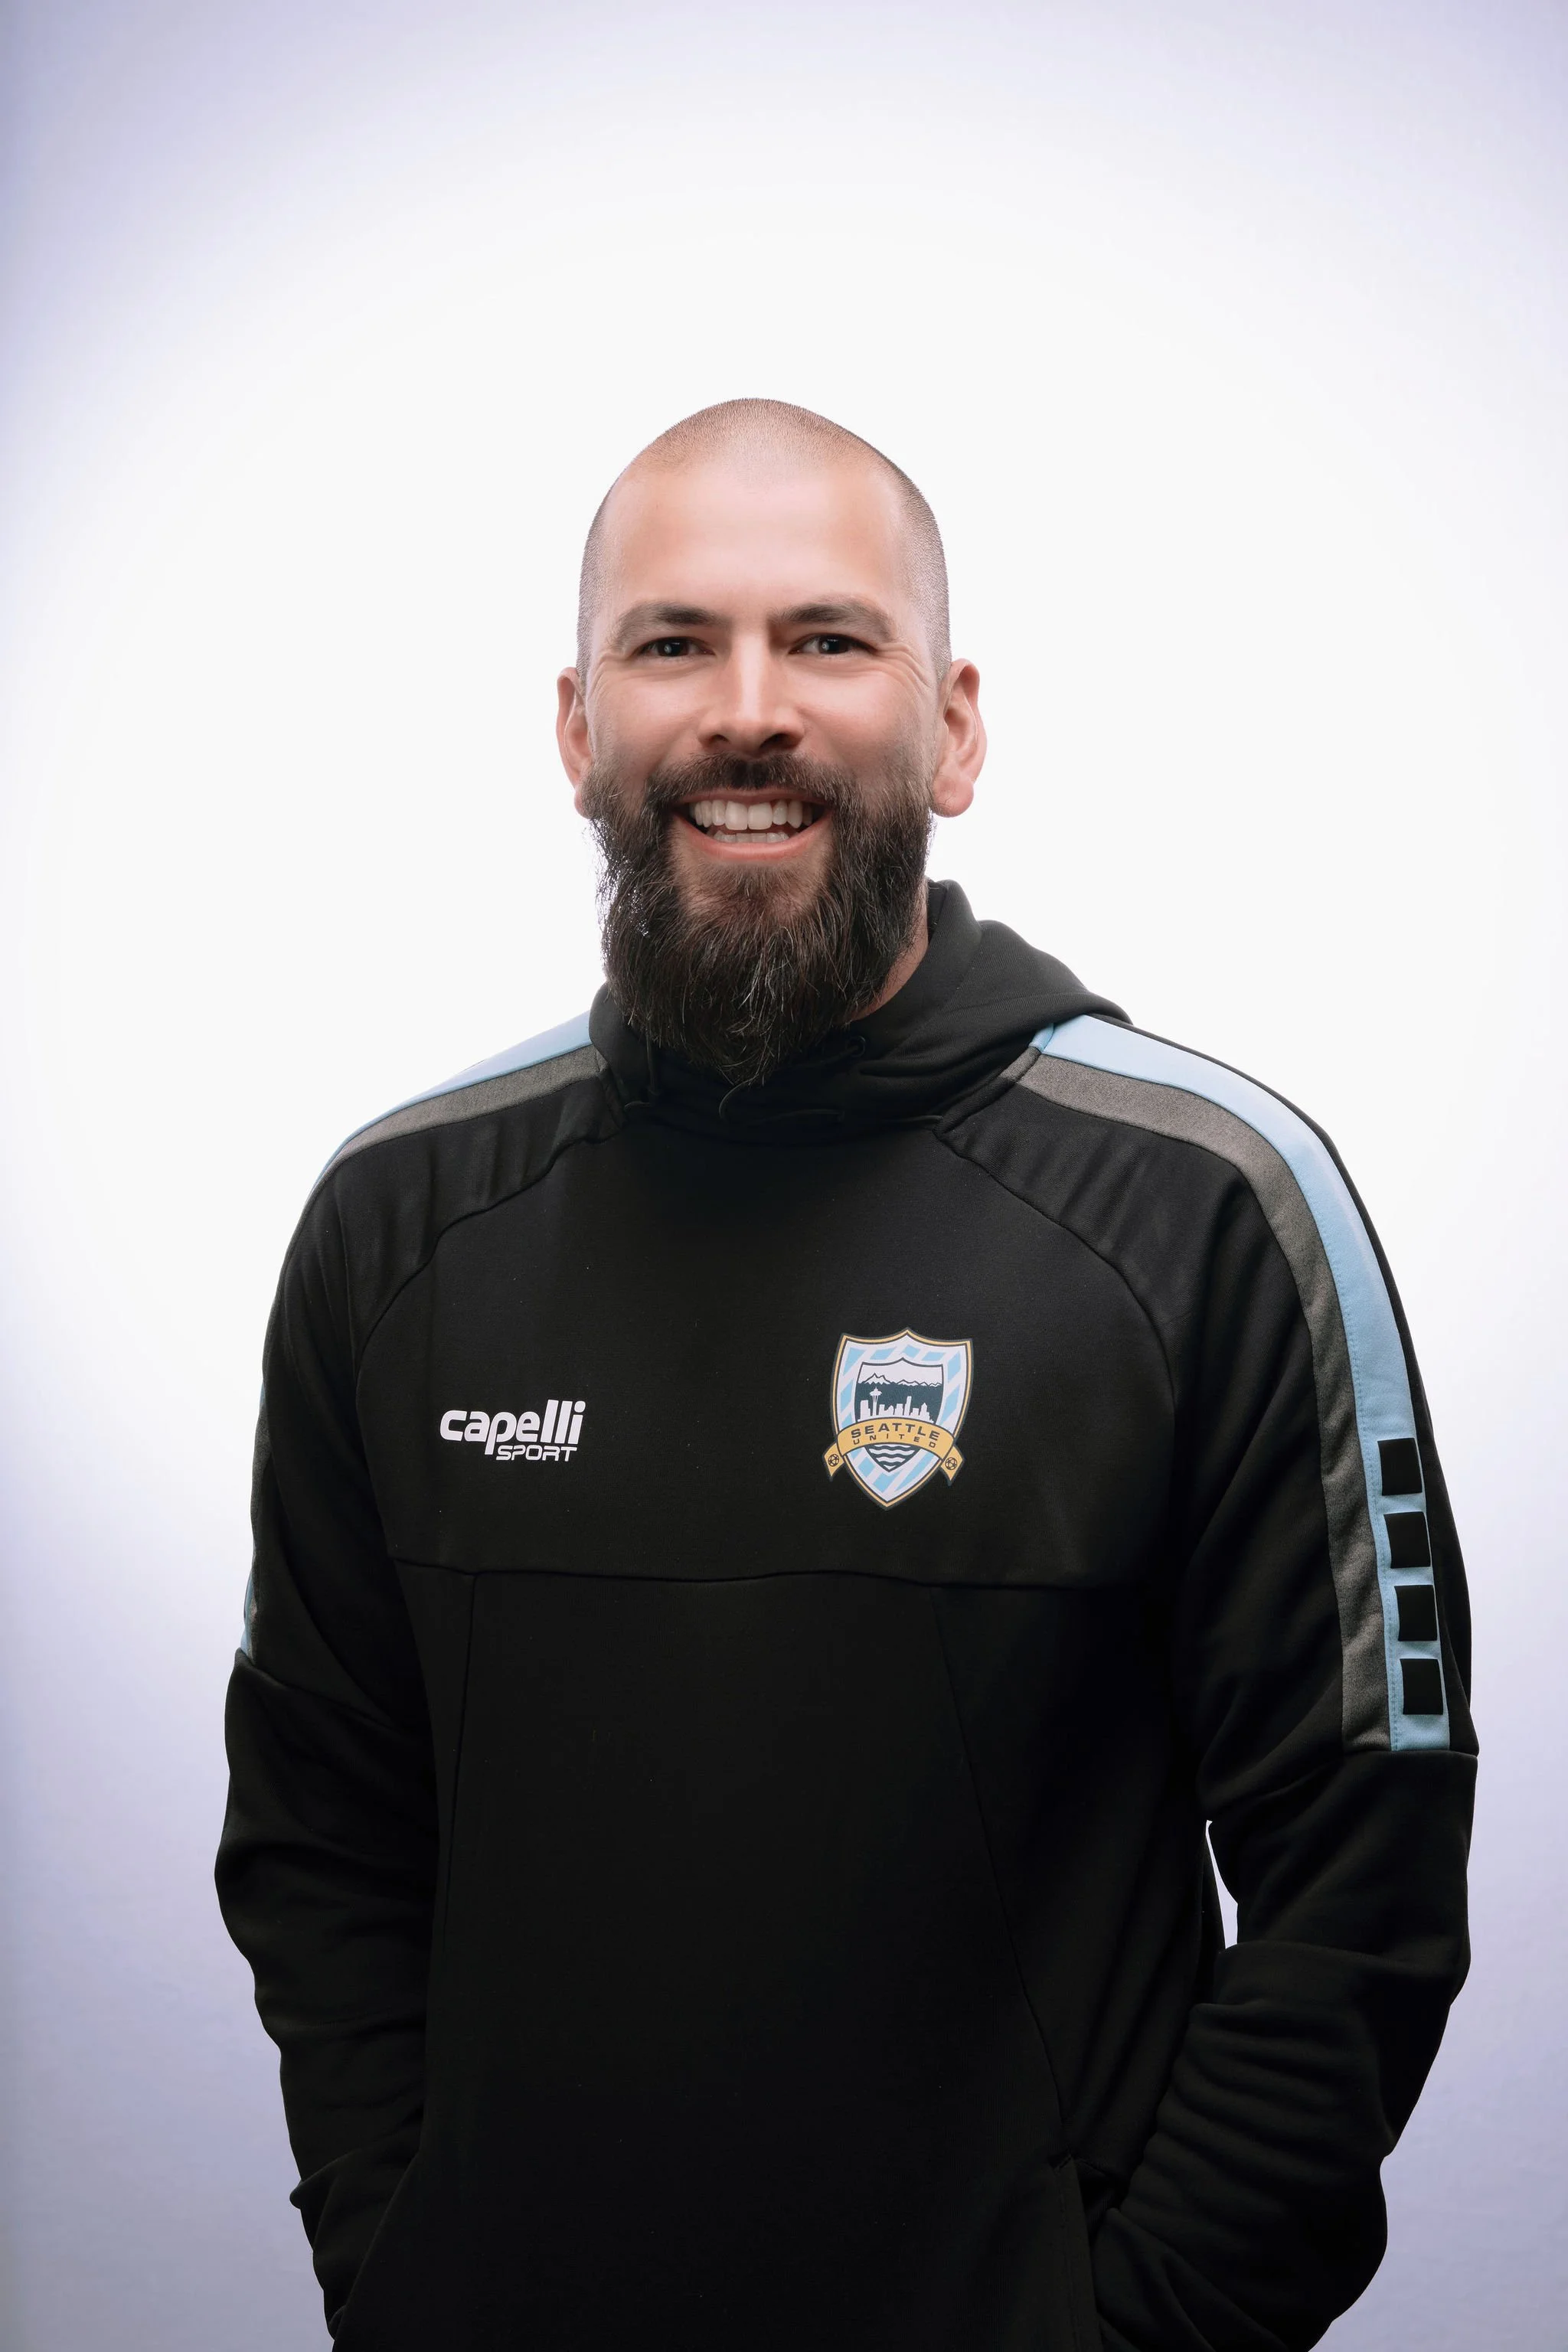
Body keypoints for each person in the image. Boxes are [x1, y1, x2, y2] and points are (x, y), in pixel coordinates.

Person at [217, 400, 1475, 2351]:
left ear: (953, 729)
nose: (749, 711)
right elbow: (320, 1838)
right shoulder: (397, 1230)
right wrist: (407, 2275)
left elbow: (1361, 1881)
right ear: (576, 729)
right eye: (672, 643)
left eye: (827, 638)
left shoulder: (1208, 1211)